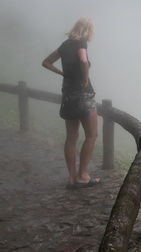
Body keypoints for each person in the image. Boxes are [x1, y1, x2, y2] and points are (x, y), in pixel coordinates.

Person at [42, 17, 100, 190]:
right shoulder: (81, 43)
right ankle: (83, 176)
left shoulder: (65, 45)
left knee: (71, 137)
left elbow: (45, 62)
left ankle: (71, 178)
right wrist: (84, 79)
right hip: (84, 93)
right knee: (92, 134)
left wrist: (63, 74)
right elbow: (83, 60)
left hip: (67, 92)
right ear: (88, 30)